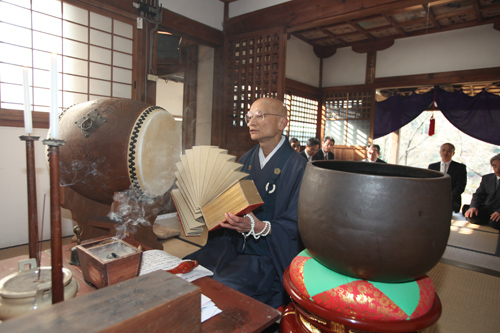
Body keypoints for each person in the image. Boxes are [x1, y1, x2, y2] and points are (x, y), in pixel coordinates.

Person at [185, 97, 307, 308]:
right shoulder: (245, 160)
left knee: (221, 287)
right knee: (187, 268)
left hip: (266, 255)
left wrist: (261, 227)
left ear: (282, 123)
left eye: (260, 116)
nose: (251, 122)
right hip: (231, 245)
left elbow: (299, 225)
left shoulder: (299, 167)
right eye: (249, 116)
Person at [463, 153, 500, 230]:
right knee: (471, 216)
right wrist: (473, 206)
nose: (497, 170)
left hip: (498, 210)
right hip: (486, 207)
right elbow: (478, 195)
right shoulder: (487, 178)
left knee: (494, 223)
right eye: (494, 166)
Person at [428, 143, 467, 213]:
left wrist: (448, 198)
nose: (445, 153)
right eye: (443, 150)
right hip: (433, 200)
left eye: (449, 151)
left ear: (453, 153)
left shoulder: (460, 167)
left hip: (452, 201)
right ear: (440, 152)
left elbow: (460, 186)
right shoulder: (432, 167)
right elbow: (429, 184)